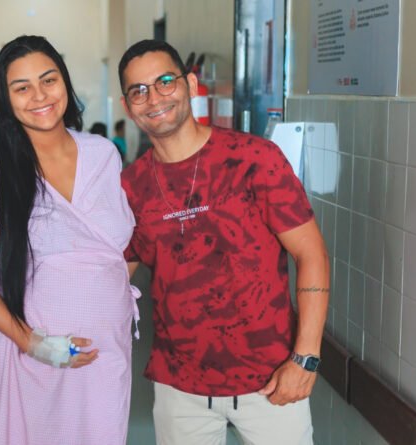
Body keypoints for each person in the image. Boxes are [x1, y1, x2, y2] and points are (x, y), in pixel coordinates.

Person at [118, 40, 329, 445]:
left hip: (271, 379)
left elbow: (311, 253)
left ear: (190, 84)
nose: (154, 98)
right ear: (128, 106)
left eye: (165, 81)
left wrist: (306, 357)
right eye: (138, 91)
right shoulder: (130, 187)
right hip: (179, 387)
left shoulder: (254, 159)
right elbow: (112, 277)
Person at [0, 35, 139, 445]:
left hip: (103, 353)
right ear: (6, 100)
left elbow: (124, 241)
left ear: (64, 82)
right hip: (24, 355)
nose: (39, 96)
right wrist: (34, 343)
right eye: (22, 87)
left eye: (48, 80)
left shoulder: (104, 155)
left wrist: (104, 295)